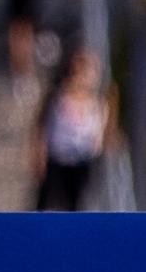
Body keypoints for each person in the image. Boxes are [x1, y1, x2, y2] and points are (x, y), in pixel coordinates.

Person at [35, 42, 116, 210]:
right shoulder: (56, 96)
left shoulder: (99, 101)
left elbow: (106, 130)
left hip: (83, 159)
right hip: (57, 157)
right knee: (45, 201)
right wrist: (39, 152)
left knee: (77, 203)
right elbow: (41, 125)